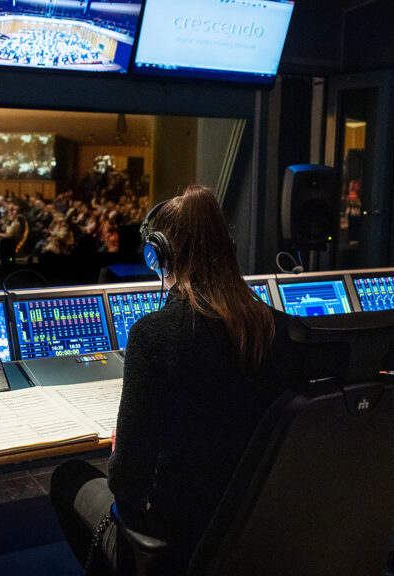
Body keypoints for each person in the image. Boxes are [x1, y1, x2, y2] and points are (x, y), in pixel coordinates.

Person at [49, 186, 317, 574]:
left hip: (180, 539)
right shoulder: (279, 327)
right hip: (260, 532)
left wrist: (122, 447)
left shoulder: (153, 334)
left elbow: (126, 483)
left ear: (156, 254)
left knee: (67, 477)